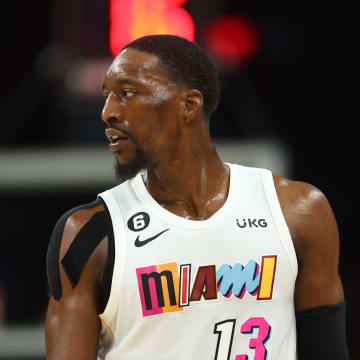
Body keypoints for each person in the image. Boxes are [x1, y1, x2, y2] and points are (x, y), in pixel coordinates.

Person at [45, 35, 349, 359]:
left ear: (189, 105)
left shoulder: (298, 212)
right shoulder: (89, 235)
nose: (108, 112)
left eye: (127, 93)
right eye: (107, 96)